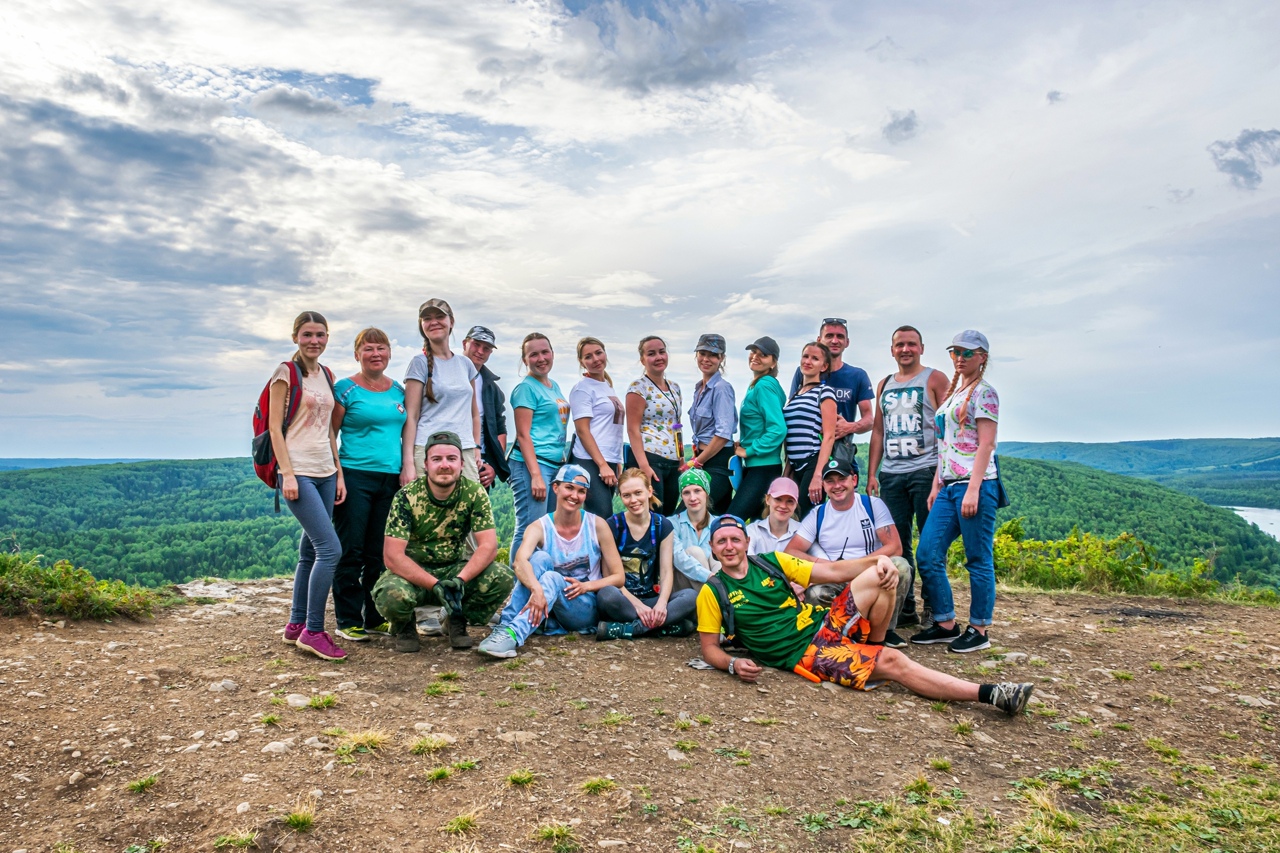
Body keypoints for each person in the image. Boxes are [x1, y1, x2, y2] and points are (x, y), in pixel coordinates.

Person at [695, 516, 1033, 716]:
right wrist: (732, 664)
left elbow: (833, 571)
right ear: (713, 548)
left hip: (825, 623)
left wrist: (879, 561)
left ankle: (874, 646)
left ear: (746, 541)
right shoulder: (713, 591)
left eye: (735, 539)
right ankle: (991, 694)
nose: (729, 546)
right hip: (810, 653)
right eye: (721, 541)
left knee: (880, 576)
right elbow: (709, 648)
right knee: (896, 663)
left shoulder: (771, 562)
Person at [375, 431, 515, 651]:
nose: (444, 465)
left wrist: (460, 580)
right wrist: (434, 585)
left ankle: (456, 618)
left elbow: (488, 547)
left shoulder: (474, 493)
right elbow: (392, 556)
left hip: (453, 571)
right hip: (413, 574)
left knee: (502, 576)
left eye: (451, 458)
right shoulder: (407, 496)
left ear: (461, 464)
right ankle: (405, 625)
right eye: (437, 459)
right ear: (426, 464)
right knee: (390, 593)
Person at [911, 331, 1003, 654]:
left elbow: (986, 444)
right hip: (949, 486)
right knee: (927, 553)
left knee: (977, 558)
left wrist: (974, 489)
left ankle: (979, 629)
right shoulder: (954, 394)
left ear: (982, 357)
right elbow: (945, 444)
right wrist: (937, 483)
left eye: (967, 353)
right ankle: (946, 624)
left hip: (976, 484)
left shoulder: (985, 393)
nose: (960, 358)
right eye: (955, 352)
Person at [477, 464, 625, 658]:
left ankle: (512, 634)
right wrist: (536, 589)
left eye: (581, 491)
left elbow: (619, 577)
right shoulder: (540, 527)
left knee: (552, 578)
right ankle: (506, 625)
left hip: (585, 605)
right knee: (539, 558)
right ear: (556, 488)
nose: (574, 495)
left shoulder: (597, 525)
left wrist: (587, 586)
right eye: (569, 487)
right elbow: (519, 562)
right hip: (550, 601)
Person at [269, 311, 347, 662]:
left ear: (327, 337)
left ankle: (296, 624)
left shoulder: (326, 375)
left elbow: (329, 429)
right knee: (330, 549)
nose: (314, 341)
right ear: (295, 337)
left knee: (311, 551)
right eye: (307, 335)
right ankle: (314, 631)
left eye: (320, 335)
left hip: (325, 470)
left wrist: (338, 472)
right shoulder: (286, 372)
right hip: (298, 470)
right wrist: (286, 474)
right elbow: (274, 428)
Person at [867, 325, 950, 629]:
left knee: (930, 543)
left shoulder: (935, 379)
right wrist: (872, 473)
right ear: (892, 350)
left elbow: (948, 428)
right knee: (897, 545)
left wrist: (941, 473)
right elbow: (878, 430)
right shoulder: (884, 384)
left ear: (921, 348)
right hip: (891, 474)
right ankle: (904, 608)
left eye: (911, 344)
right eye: (900, 344)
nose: (905, 349)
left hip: (926, 471)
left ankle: (935, 608)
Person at [784, 457, 911, 647]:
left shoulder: (872, 505)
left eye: (842, 479)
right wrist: (830, 567)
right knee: (815, 593)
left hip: (871, 572)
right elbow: (791, 551)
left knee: (900, 566)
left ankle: (885, 631)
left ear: (854, 480)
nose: (837, 486)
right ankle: (840, 634)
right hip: (836, 578)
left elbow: (894, 546)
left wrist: (857, 566)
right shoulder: (818, 514)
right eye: (830, 481)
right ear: (824, 486)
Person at [330, 327, 404, 643]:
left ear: (389, 353)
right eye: (369, 349)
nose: (376, 354)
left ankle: (375, 617)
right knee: (352, 549)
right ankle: (348, 619)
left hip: (391, 477)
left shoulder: (398, 390)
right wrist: (337, 475)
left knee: (379, 551)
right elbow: (330, 434)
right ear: (357, 354)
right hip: (355, 475)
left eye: (381, 348)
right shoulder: (345, 389)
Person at [596, 469, 697, 640]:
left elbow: (666, 571)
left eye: (638, 493)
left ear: (649, 491)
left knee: (690, 596)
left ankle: (631, 629)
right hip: (623, 599)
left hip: (650, 598)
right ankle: (663, 627)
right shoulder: (613, 525)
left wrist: (661, 604)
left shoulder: (662, 525)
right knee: (606, 594)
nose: (633, 500)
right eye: (626, 495)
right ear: (620, 497)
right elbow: (609, 575)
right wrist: (637, 605)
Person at [402, 299, 482, 486]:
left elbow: (474, 414)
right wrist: (408, 463)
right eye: (427, 318)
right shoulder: (419, 363)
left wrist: (476, 446)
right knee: (428, 505)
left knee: (468, 503)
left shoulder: (465, 364)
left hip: (464, 450)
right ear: (422, 325)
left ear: (451, 322)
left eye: (439, 316)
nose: (434, 322)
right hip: (427, 450)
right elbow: (411, 417)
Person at [508, 333, 570, 556]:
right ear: (525, 360)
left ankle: (538, 573)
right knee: (529, 529)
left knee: (547, 528)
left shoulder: (554, 386)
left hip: (553, 465)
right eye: (533, 354)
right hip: (532, 465)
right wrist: (535, 475)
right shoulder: (526, 389)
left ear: (552, 353)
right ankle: (518, 576)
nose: (541, 358)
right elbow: (523, 434)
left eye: (545, 352)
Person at [788, 318, 874, 467]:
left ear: (847, 342)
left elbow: (869, 420)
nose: (834, 341)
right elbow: (792, 410)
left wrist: (849, 427)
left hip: (840, 457)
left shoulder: (857, 375)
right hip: (804, 457)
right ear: (819, 340)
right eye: (829, 336)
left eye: (840, 336)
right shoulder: (803, 372)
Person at [728, 336, 787, 521]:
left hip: (763, 468)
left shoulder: (764, 385)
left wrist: (750, 450)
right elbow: (761, 424)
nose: (755, 357)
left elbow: (778, 429)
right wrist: (744, 442)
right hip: (757, 467)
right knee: (756, 526)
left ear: (773, 362)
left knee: (730, 522)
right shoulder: (757, 385)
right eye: (753, 352)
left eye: (763, 355)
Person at [625, 336, 684, 515]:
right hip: (650, 458)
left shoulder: (675, 388)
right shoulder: (638, 388)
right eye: (651, 354)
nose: (658, 357)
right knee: (652, 515)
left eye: (662, 352)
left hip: (673, 462)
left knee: (667, 514)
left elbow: (677, 425)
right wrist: (644, 466)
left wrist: (681, 457)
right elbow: (632, 429)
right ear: (643, 360)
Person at [570, 337, 625, 518]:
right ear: (581, 362)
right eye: (588, 356)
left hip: (608, 460)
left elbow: (610, 428)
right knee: (601, 516)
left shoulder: (607, 386)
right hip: (589, 461)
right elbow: (582, 430)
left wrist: (616, 460)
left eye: (598, 353)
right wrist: (602, 465)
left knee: (604, 518)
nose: (595, 359)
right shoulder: (582, 389)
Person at [782, 341, 838, 517]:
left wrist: (818, 475)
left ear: (824, 366)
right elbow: (791, 436)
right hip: (795, 466)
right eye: (805, 356)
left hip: (813, 463)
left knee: (808, 517)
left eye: (815, 358)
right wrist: (787, 472)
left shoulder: (825, 392)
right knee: (792, 518)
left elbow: (829, 436)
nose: (808, 361)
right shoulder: (794, 396)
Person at [688, 333, 737, 515]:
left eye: (713, 355)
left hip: (718, 463)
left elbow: (723, 434)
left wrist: (697, 461)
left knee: (690, 513)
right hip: (704, 459)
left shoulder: (721, 388)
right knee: (713, 520)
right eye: (702, 353)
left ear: (721, 358)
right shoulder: (698, 388)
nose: (706, 359)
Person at [462, 325, 509, 489]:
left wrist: (493, 466)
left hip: (478, 460)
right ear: (465, 344)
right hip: (446, 454)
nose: (480, 351)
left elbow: (500, 428)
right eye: (476, 344)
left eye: (486, 348)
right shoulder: (445, 374)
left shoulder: (492, 388)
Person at [669, 467, 720, 591]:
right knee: (694, 552)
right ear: (682, 496)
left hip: (714, 580)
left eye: (697, 491)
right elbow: (678, 558)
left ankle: (718, 596)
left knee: (717, 555)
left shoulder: (719, 523)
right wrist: (709, 577)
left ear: (706, 493)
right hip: (682, 584)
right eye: (686, 493)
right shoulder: (672, 523)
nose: (692, 498)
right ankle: (716, 597)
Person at [746, 477, 802, 555]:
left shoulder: (804, 532)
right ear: (767, 499)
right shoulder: (753, 530)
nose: (783, 506)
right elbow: (747, 558)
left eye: (790, 501)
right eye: (778, 499)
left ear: (796, 505)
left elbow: (818, 556)